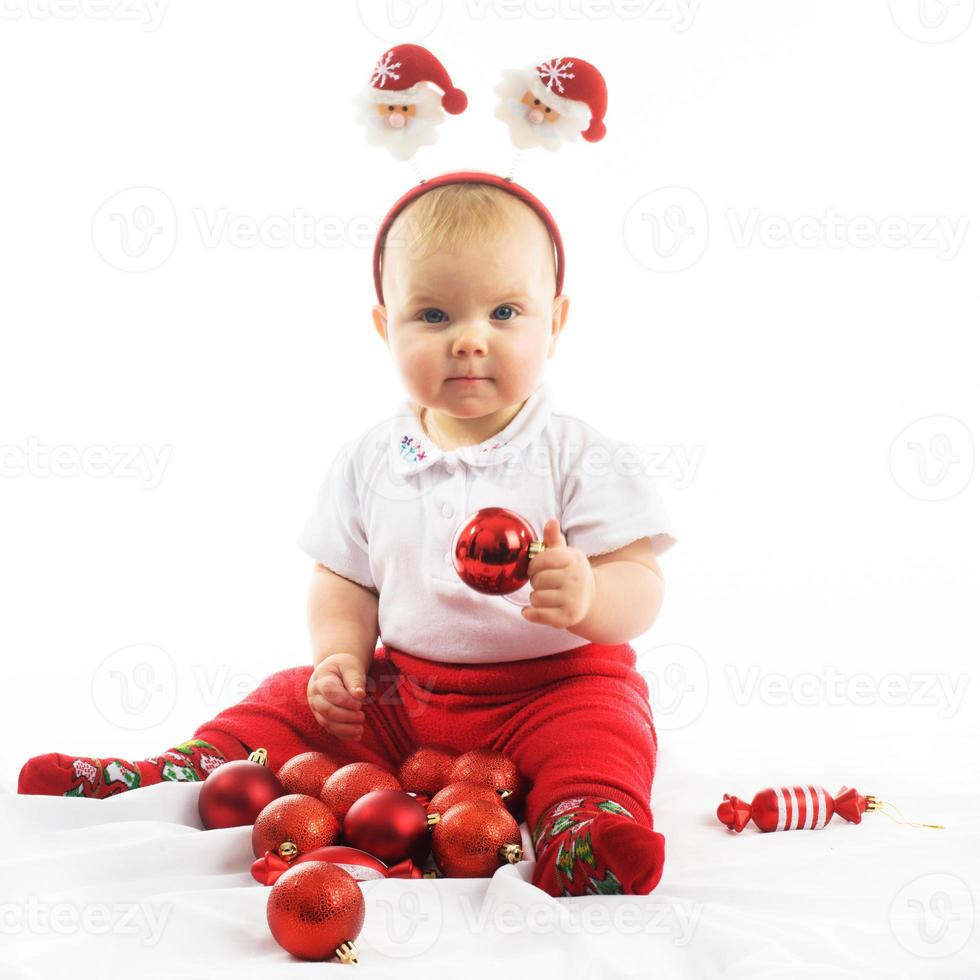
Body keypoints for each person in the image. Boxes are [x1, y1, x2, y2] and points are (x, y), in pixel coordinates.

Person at [19, 175, 678, 898]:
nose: (468, 339)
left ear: (555, 321)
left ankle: (583, 828)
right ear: (383, 326)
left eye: (504, 312)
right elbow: (344, 577)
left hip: (555, 688)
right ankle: (180, 769)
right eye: (432, 314)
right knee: (287, 697)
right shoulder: (372, 458)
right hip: (409, 697)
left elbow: (640, 585)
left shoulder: (578, 454)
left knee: (604, 733)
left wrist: (590, 592)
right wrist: (340, 657)